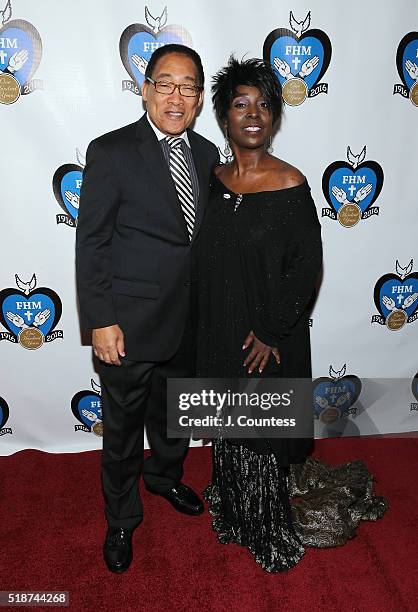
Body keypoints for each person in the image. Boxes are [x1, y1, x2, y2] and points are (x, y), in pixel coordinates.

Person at [196, 57, 388, 572]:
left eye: (264, 104)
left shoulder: (291, 184)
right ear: (224, 116)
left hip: (267, 336)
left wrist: (271, 330)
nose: (253, 114)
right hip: (219, 326)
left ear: (276, 116)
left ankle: (265, 525)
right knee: (227, 422)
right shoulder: (211, 180)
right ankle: (236, 508)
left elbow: (306, 269)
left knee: (261, 429)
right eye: (241, 104)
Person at [76, 44, 219, 573]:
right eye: (165, 83)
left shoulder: (207, 155)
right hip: (128, 324)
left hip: (188, 320)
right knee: (121, 430)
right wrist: (100, 320)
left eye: (187, 87)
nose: (175, 96)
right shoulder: (111, 152)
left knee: (174, 417)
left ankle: (164, 478)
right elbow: (91, 243)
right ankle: (121, 519)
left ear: (200, 98)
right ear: (145, 89)